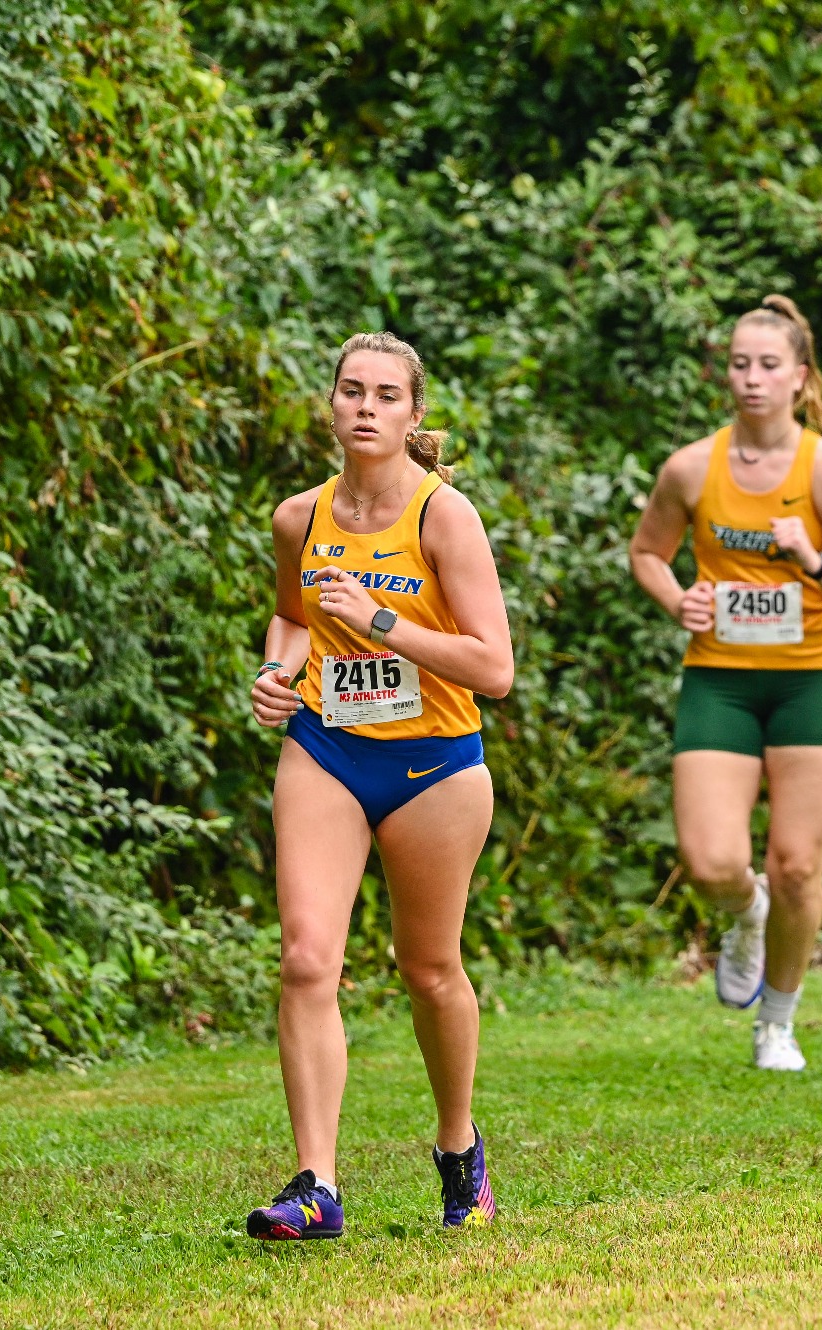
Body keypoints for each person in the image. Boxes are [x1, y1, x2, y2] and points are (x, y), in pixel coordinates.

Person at [243, 333, 516, 1239]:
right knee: (307, 957)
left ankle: (457, 1147)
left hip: (435, 763)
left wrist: (383, 620)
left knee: (429, 970)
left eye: (386, 395)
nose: (366, 407)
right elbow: (290, 614)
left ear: (413, 415)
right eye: (352, 391)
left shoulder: (446, 517)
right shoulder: (299, 518)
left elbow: (494, 667)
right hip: (326, 747)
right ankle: (316, 1186)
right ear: (331, 407)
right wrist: (277, 673)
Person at [629, 295, 822, 1072]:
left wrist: (812, 562)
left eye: (769, 365)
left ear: (800, 378)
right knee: (712, 859)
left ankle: (777, 1021)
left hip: (814, 681)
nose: (751, 379)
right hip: (722, 680)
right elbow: (647, 553)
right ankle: (747, 914)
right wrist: (676, 597)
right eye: (740, 364)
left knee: (798, 864)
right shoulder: (691, 467)